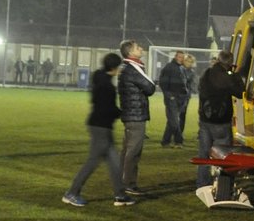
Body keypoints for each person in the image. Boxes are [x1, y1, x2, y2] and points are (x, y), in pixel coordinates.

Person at [63, 53, 135, 207]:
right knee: (92, 162)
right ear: (114, 67)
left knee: (115, 162)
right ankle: (72, 193)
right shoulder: (107, 87)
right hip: (101, 127)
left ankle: (120, 195)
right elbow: (107, 109)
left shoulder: (100, 77)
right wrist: (121, 113)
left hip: (100, 126)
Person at [196, 50, 247, 204]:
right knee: (223, 156)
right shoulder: (227, 78)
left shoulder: (207, 74)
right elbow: (240, 91)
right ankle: (221, 186)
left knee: (203, 154)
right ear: (230, 62)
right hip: (221, 121)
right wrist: (235, 74)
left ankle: (201, 184)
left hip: (205, 119)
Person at [117, 39, 157, 196]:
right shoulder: (133, 68)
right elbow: (150, 87)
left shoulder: (126, 68)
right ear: (130, 52)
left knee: (127, 149)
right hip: (136, 114)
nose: (141, 49)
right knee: (133, 150)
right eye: (137, 47)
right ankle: (129, 184)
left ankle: (121, 180)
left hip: (130, 113)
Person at [158, 52, 194, 147]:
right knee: (174, 121)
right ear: (175, 57)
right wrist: (169, 95)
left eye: (182, 57)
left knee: (171, 120)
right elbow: (162, 82)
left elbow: (185, 85)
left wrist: (185, 95)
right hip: (172, 98)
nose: (181, 59)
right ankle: (179, 141)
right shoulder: (169, 67)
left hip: (181, 99)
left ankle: (165, 141)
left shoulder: (181, 68)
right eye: (179, 57)